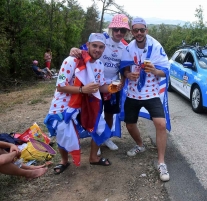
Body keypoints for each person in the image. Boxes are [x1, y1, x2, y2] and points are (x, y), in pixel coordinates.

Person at [44, 33, 118, 175]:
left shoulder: (99, 64)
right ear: (88, 45)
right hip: (64, 104)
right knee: (63, 132)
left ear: (104, 49)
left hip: (86, 103)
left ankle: (93, 157)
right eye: (94, 46)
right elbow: (60, 85)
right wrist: (82, 89)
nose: (97, 49)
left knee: (98, 127)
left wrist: (113, 88)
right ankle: (64, 161)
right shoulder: (71, 60)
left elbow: (101, 86)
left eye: (101, 47)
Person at [70, 14, 130, 155]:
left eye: (122, 30)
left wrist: (122, 81)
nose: (119, 33)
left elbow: (125, 68)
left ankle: (106, 138)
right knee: (94, 112)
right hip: (94, 84)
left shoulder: (126, 47)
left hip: (112, 85)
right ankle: (95, 141)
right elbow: (83, 51)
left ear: (126, 32)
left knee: (109, 114)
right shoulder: (101, 40)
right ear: (111, 28)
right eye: (116, 29)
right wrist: (74, 49)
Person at [120, 17, 171, 182]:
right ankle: (140, 145)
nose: (139, 33)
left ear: (146, 30)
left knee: (160, 124)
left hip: (151, 92)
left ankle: (161, 162)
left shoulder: (155, 47)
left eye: (142, 30)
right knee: (129, 124)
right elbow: (124, 70)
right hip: (133, 93)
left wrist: (155, 71)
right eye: (136, 30)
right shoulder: (129, 48)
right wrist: (128, 75)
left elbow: (166, 70)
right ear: (132, 32)